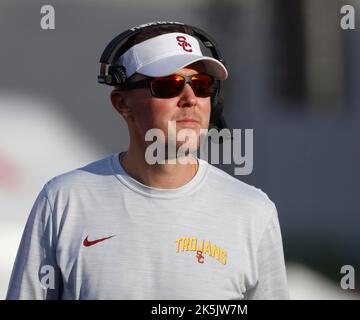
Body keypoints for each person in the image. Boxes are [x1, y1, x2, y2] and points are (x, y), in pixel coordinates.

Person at [6, 21, 289, 300]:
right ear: (122, 103)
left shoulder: (253, 212)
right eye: (168, 85)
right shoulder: (63, 201)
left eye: (202, 85)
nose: (190, 98)